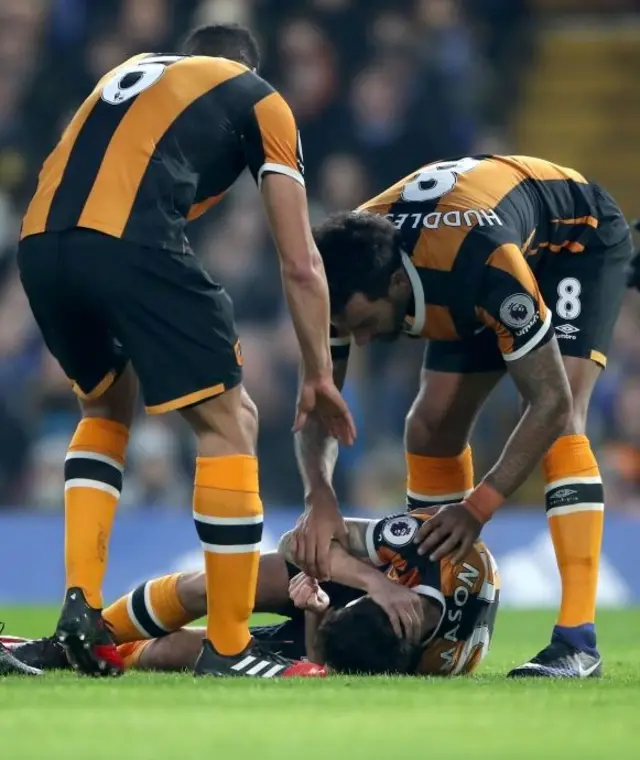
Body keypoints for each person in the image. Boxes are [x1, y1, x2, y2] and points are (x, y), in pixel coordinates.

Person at [16, 23, 355, 679]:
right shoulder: (258, 96)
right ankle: (229, 648)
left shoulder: (129, 72)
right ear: (241, 67)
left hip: (41, 242)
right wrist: (318, 371)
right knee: (232, 420)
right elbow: (301, 262)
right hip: (129, 242)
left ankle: (80, 608)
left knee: (105, 405)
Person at [295, 155, 632, 678]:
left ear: (398, 287)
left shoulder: (480, 264)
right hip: (469, 260)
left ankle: (576, 641)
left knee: (562, 423)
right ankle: (436, 591)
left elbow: (552, 402)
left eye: (362, 323)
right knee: (429, 428)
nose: (357, 340)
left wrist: (479, 507)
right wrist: (319, 493)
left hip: (571, 243)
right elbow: (320, 400)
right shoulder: (341, 270)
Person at [10, 508, 499, 677]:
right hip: (352, 578)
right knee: (212, 588)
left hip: (351, 624)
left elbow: (327, 667)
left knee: (183, 651)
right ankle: (73, 643)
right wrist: (369, 580)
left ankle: (108, 653)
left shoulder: (428, 663)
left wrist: (313, 617)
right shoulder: (432, 549)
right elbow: (295, 541)